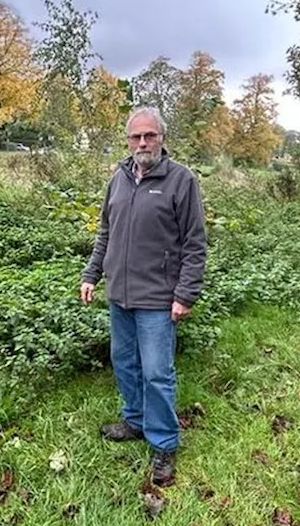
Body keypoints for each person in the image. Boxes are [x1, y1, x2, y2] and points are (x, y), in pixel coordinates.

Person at [79, 106, 207, 487]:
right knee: (124, 363)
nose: (142, 143)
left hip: (157, 298)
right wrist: (91, 273)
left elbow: (194, 244)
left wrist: (185, 294)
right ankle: (134, 421)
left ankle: (164, 442)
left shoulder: (181, 181)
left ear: (162, 138)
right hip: (119, 294)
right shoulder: (118, 179)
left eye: (150, 135)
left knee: (156, 372)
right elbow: (106, 233)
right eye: (136, 137)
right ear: (128, 140)